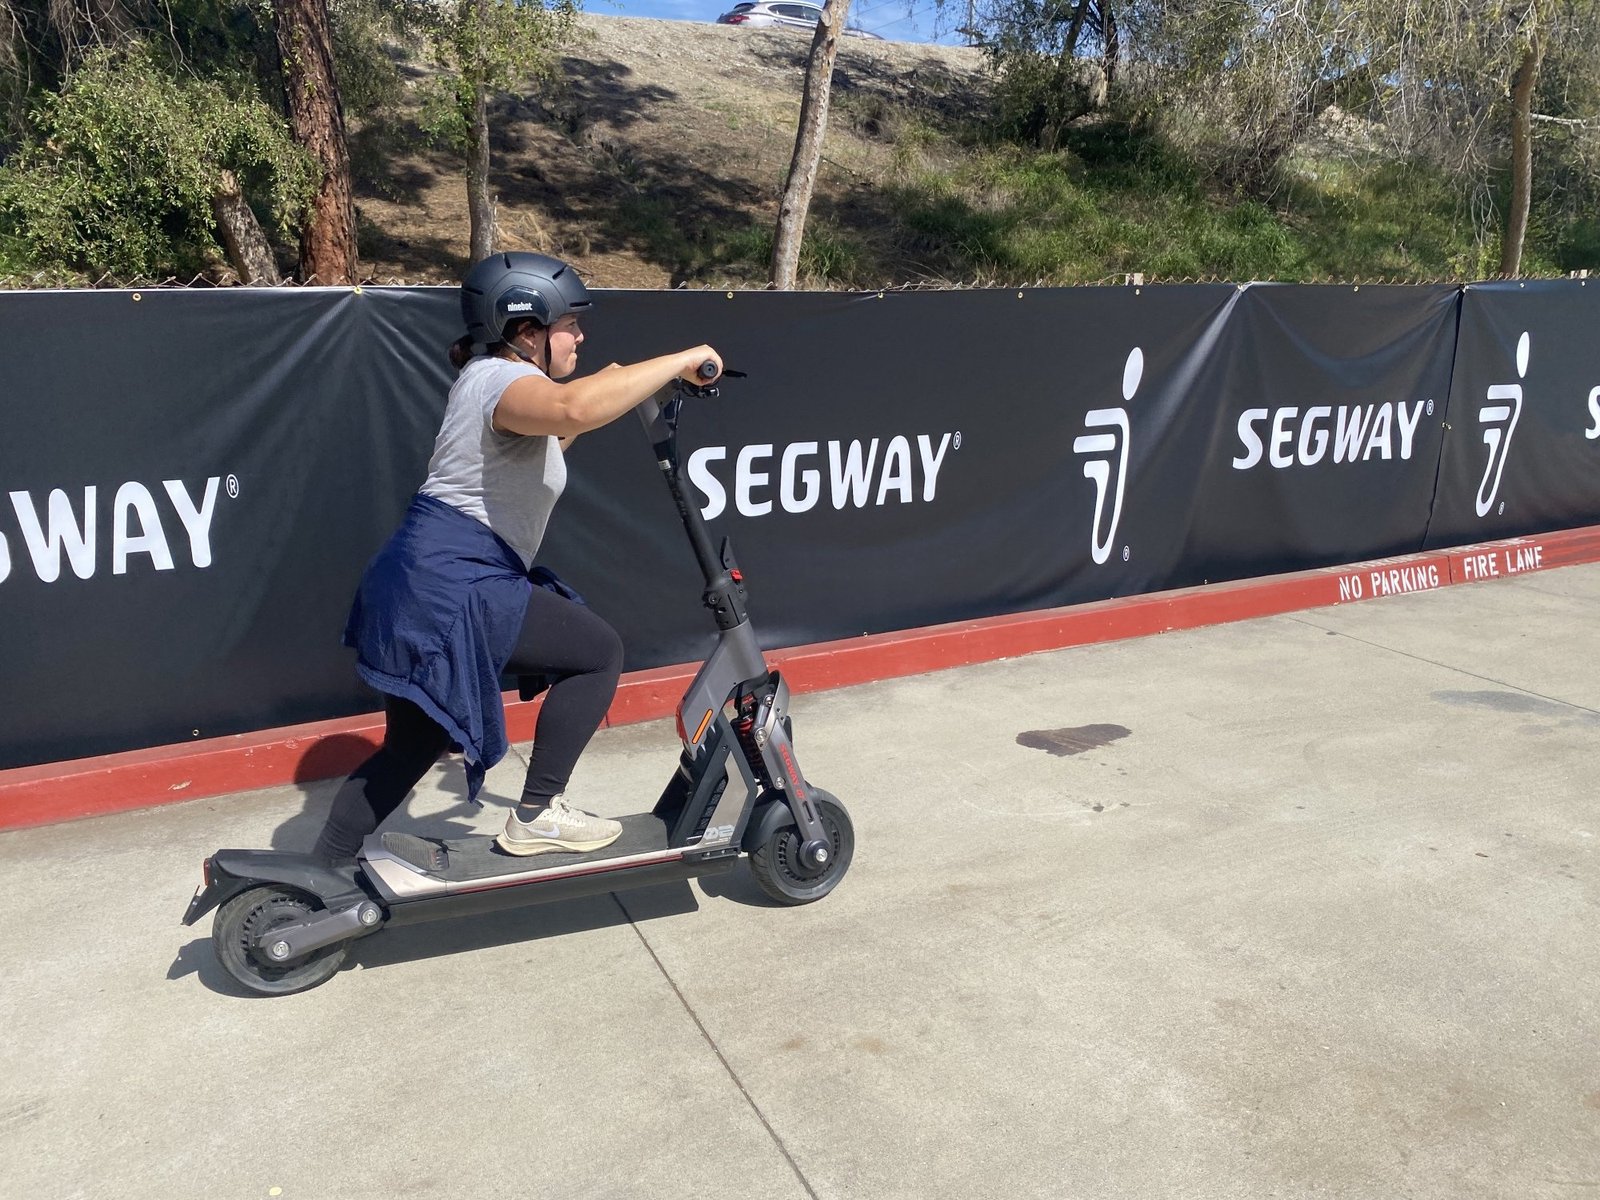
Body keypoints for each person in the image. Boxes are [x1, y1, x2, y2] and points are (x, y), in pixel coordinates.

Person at [312, 252, 722, 862]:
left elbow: (567, 423)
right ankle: (537, 813)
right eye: (570, 325)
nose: (580, 335)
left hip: (425, 577)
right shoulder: (498, 381)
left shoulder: (497, 387)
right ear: (526, 332)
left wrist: (633, 379)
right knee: (596, 653)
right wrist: (680, 359)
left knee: (415, 742)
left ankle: (320, 871)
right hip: (453, 578)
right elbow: (574, 408)